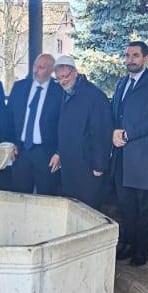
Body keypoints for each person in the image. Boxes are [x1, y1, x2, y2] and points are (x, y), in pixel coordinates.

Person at [110, 41, 148, 266]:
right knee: (126, 206)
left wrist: (127, 134)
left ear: (146, 58)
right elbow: (115, 114)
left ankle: (141, 251)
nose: (130, 60)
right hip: (122, 156)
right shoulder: (121, 83)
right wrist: (114, 133)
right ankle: (127, 244)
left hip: (144, 156)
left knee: (145, 207)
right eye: (127, 55)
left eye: (135, 55)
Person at [52, 55, 113, 209]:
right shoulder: (65, 92)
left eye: (65, 76)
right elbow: (65, 128)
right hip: (69, 165)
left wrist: (99, 165)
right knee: (72, 208)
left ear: (75, 72)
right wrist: (59, 153)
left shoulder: (94, 95)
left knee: (88, 209)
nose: (62, 81)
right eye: (58, 78)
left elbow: (102, 131)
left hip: (88, 166)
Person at [6, 53, 62, 195]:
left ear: (51, 70)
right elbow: (7, 118)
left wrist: (59, 152)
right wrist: (9, 143)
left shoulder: (59, 92)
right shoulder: (19, 87)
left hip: (46, 154)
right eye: (35, 66)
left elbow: (64, 126)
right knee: (20, 195)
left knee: (46, 196)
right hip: (20, 151)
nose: (36, 70)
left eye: (42, 67)